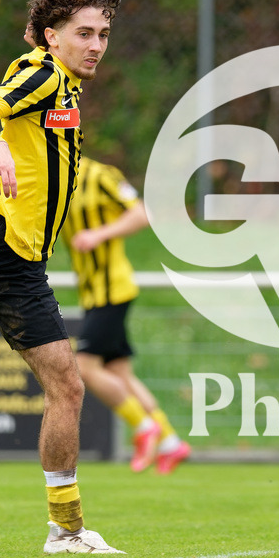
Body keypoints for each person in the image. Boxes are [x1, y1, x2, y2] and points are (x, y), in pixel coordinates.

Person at [0, 0, 124, 554]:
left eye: (104, 34)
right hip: (11, 253)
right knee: (66, 386)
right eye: (83, 33)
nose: (96, 45)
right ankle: (66, 530)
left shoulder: (63, 82)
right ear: (51, 35)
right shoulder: (41, 74)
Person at [63, 156, 191, 474]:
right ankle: (171, 443)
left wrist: (100, 234)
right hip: (93, 292)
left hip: (112, 290)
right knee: (121, 374)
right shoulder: (52, 180)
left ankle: (144, 426)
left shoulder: (100, 175)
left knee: (86, 368)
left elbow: (141, 213)